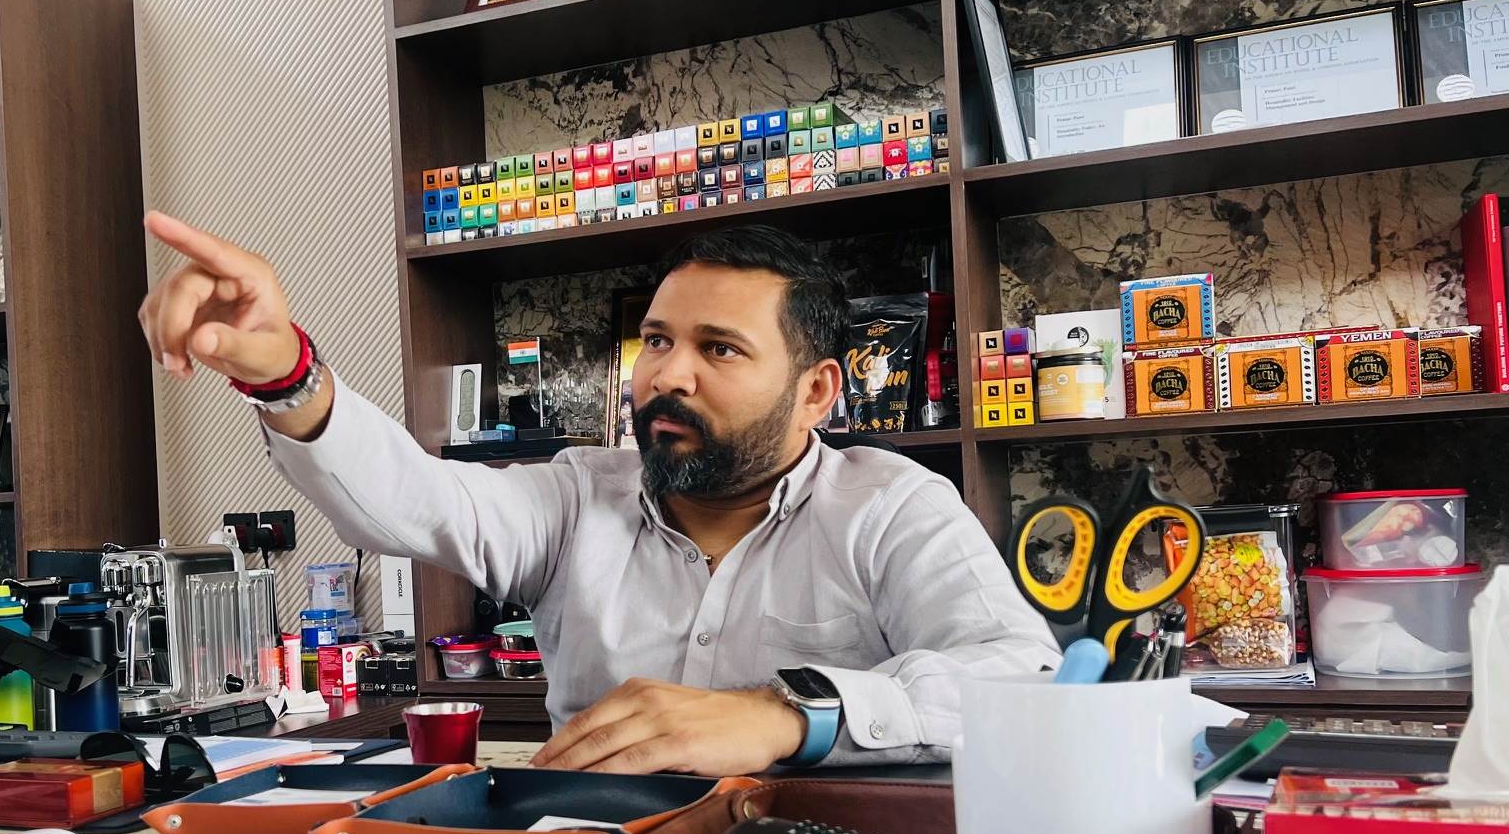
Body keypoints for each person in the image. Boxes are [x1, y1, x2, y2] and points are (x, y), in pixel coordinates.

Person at [137, 214, 1059, 776]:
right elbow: (414, 499)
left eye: (719, 349)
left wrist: (788, 715)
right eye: (656, 341)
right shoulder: (579, 496)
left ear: (817, 392)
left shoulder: (893, 506)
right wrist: (285, 375)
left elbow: (1022, 677)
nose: (668, 376)